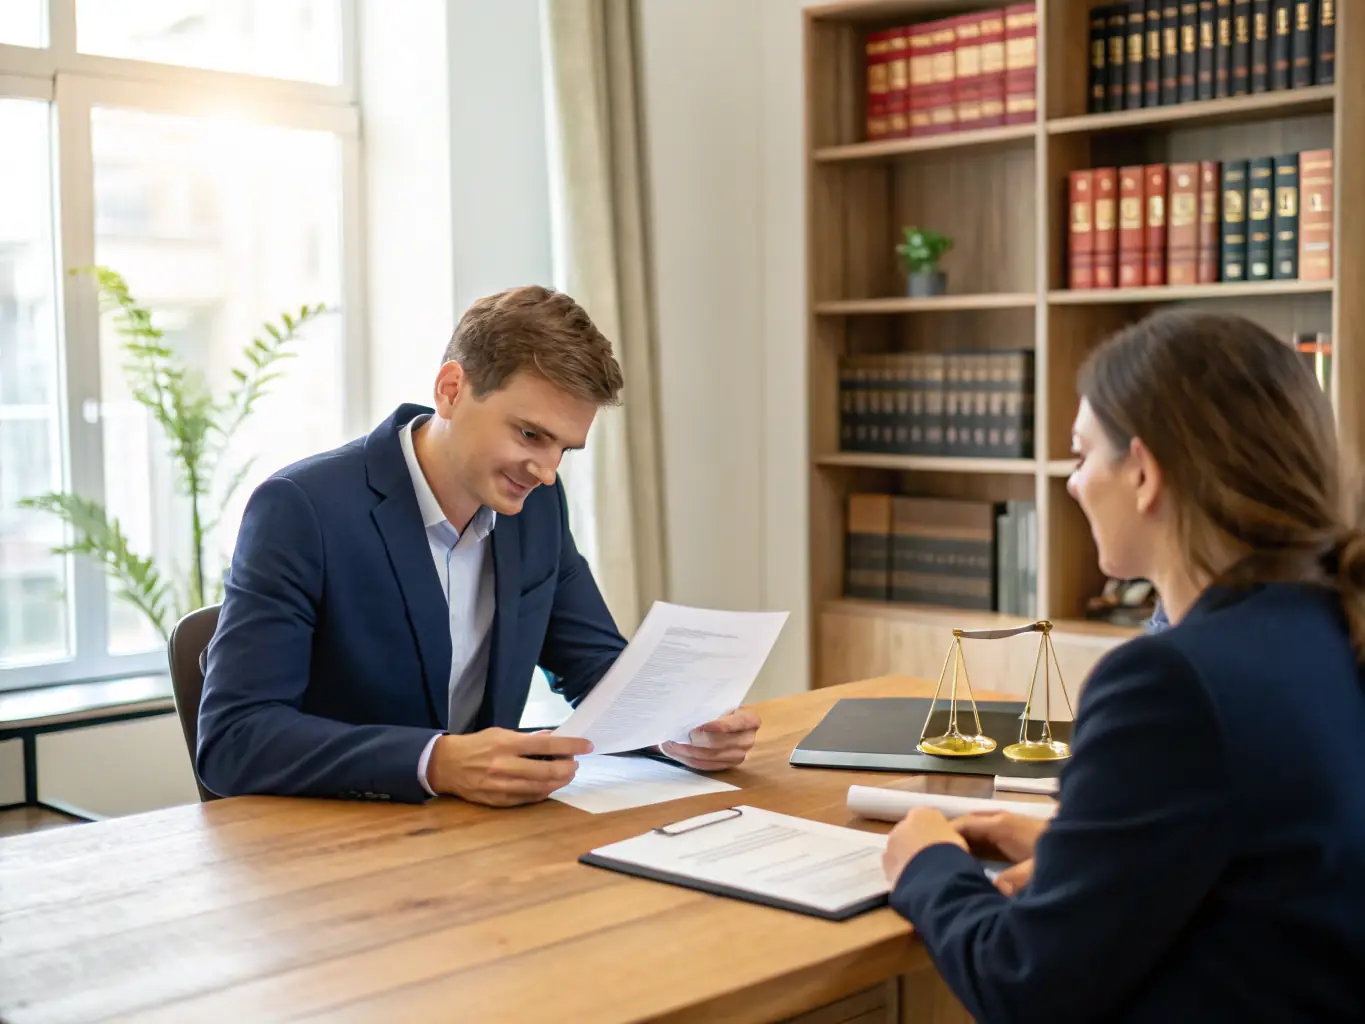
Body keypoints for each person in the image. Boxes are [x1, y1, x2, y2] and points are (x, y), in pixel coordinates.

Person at [880, 310, 1365, 1021]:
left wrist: (925, 862)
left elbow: (1022, 983)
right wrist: (1093, 852)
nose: (1072, 484)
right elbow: (1271, 868)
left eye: (1080, 455)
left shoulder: (1169, 684)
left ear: (1142, 472)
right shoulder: (1328, 628)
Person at [197, 286, 759, 806]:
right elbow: (234, 737)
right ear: (450, 390)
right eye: (531, 434)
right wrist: (434, 762)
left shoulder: (536, 504)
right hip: (335, 849)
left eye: (565, 448)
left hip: (476, 839)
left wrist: (678, 731)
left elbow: (592, 666)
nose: (545, 470)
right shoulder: (302, 508)